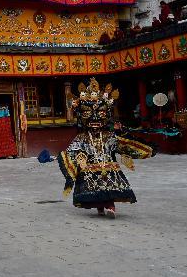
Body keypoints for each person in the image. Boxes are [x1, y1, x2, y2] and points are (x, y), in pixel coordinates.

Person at [57, 78, 157, 219]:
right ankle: (99, 206)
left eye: (101, 115)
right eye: (89, 115)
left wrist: (139, 145)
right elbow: (72, 151)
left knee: (109, 186)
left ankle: (110, 206)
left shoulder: (109, 135)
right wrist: (71, 157)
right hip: (90, 166)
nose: (95, 120)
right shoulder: (81, 138)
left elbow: (123, 144)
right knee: (95, 187)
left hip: (108, 166)